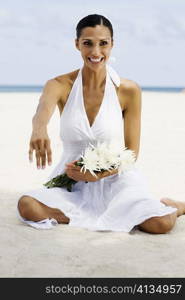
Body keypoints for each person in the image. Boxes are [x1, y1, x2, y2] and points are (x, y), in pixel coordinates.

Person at [17, 14, 185, 232]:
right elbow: (43, 109)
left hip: (116, 177)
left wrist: (100, 173)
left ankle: (174, 206)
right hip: (72, 181)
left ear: (112, 45)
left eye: (103, 43)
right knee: (27, 205)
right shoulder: (59, 85)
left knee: (160, 224)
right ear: (77, 44)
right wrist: (38, 129)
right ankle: (99, 215)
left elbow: (132, 153)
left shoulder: (128, 90)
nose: (96, 52)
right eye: (87, 43)